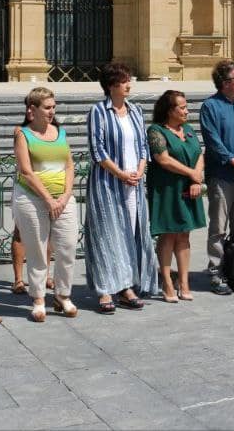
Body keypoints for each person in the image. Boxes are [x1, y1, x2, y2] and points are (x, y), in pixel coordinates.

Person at [85, 63, 158, 313]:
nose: (129, 85)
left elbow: (142, 146)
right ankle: (105, 289)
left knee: (130, 233)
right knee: (107, 235)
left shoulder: (136, 110)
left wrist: (139, 169)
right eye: (125, 81)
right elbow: (98, 150)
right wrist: (120, 174)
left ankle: (126, 286)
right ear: (112, 85)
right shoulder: (98, 112)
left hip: (133, 184)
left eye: (129, 80)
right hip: (108, 184)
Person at [12, 87, 78, 322]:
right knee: (38, 250)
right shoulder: (23, 134)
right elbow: (27, 172)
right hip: (32, 198)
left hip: (63, 199)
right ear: (32, 110)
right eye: (47, 107)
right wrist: (48, 199)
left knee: (68, 246)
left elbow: (69, 165)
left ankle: (62, 294)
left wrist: (65, 196)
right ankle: (38, 298)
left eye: (54, 107)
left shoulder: (60, 131)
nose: (52, 111)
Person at [199, 59, 234, 296]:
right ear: (224, 82)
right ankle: (215, 272)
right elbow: (213, 142)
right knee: (218, 227)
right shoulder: (210, 106)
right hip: (222, 176)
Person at [146, 90, 206, 302]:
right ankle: (166, 281)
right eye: (181, 107)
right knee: (168, 234)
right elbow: (163, 160)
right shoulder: (156, 130)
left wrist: (196, 179)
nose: (186, 111)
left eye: (186, 106)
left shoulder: (188, 129)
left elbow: (199, 154)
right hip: (167, 190)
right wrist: (192, 174)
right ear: (169, 110)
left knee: (184, 234)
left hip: (189, 187)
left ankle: (184, 281)